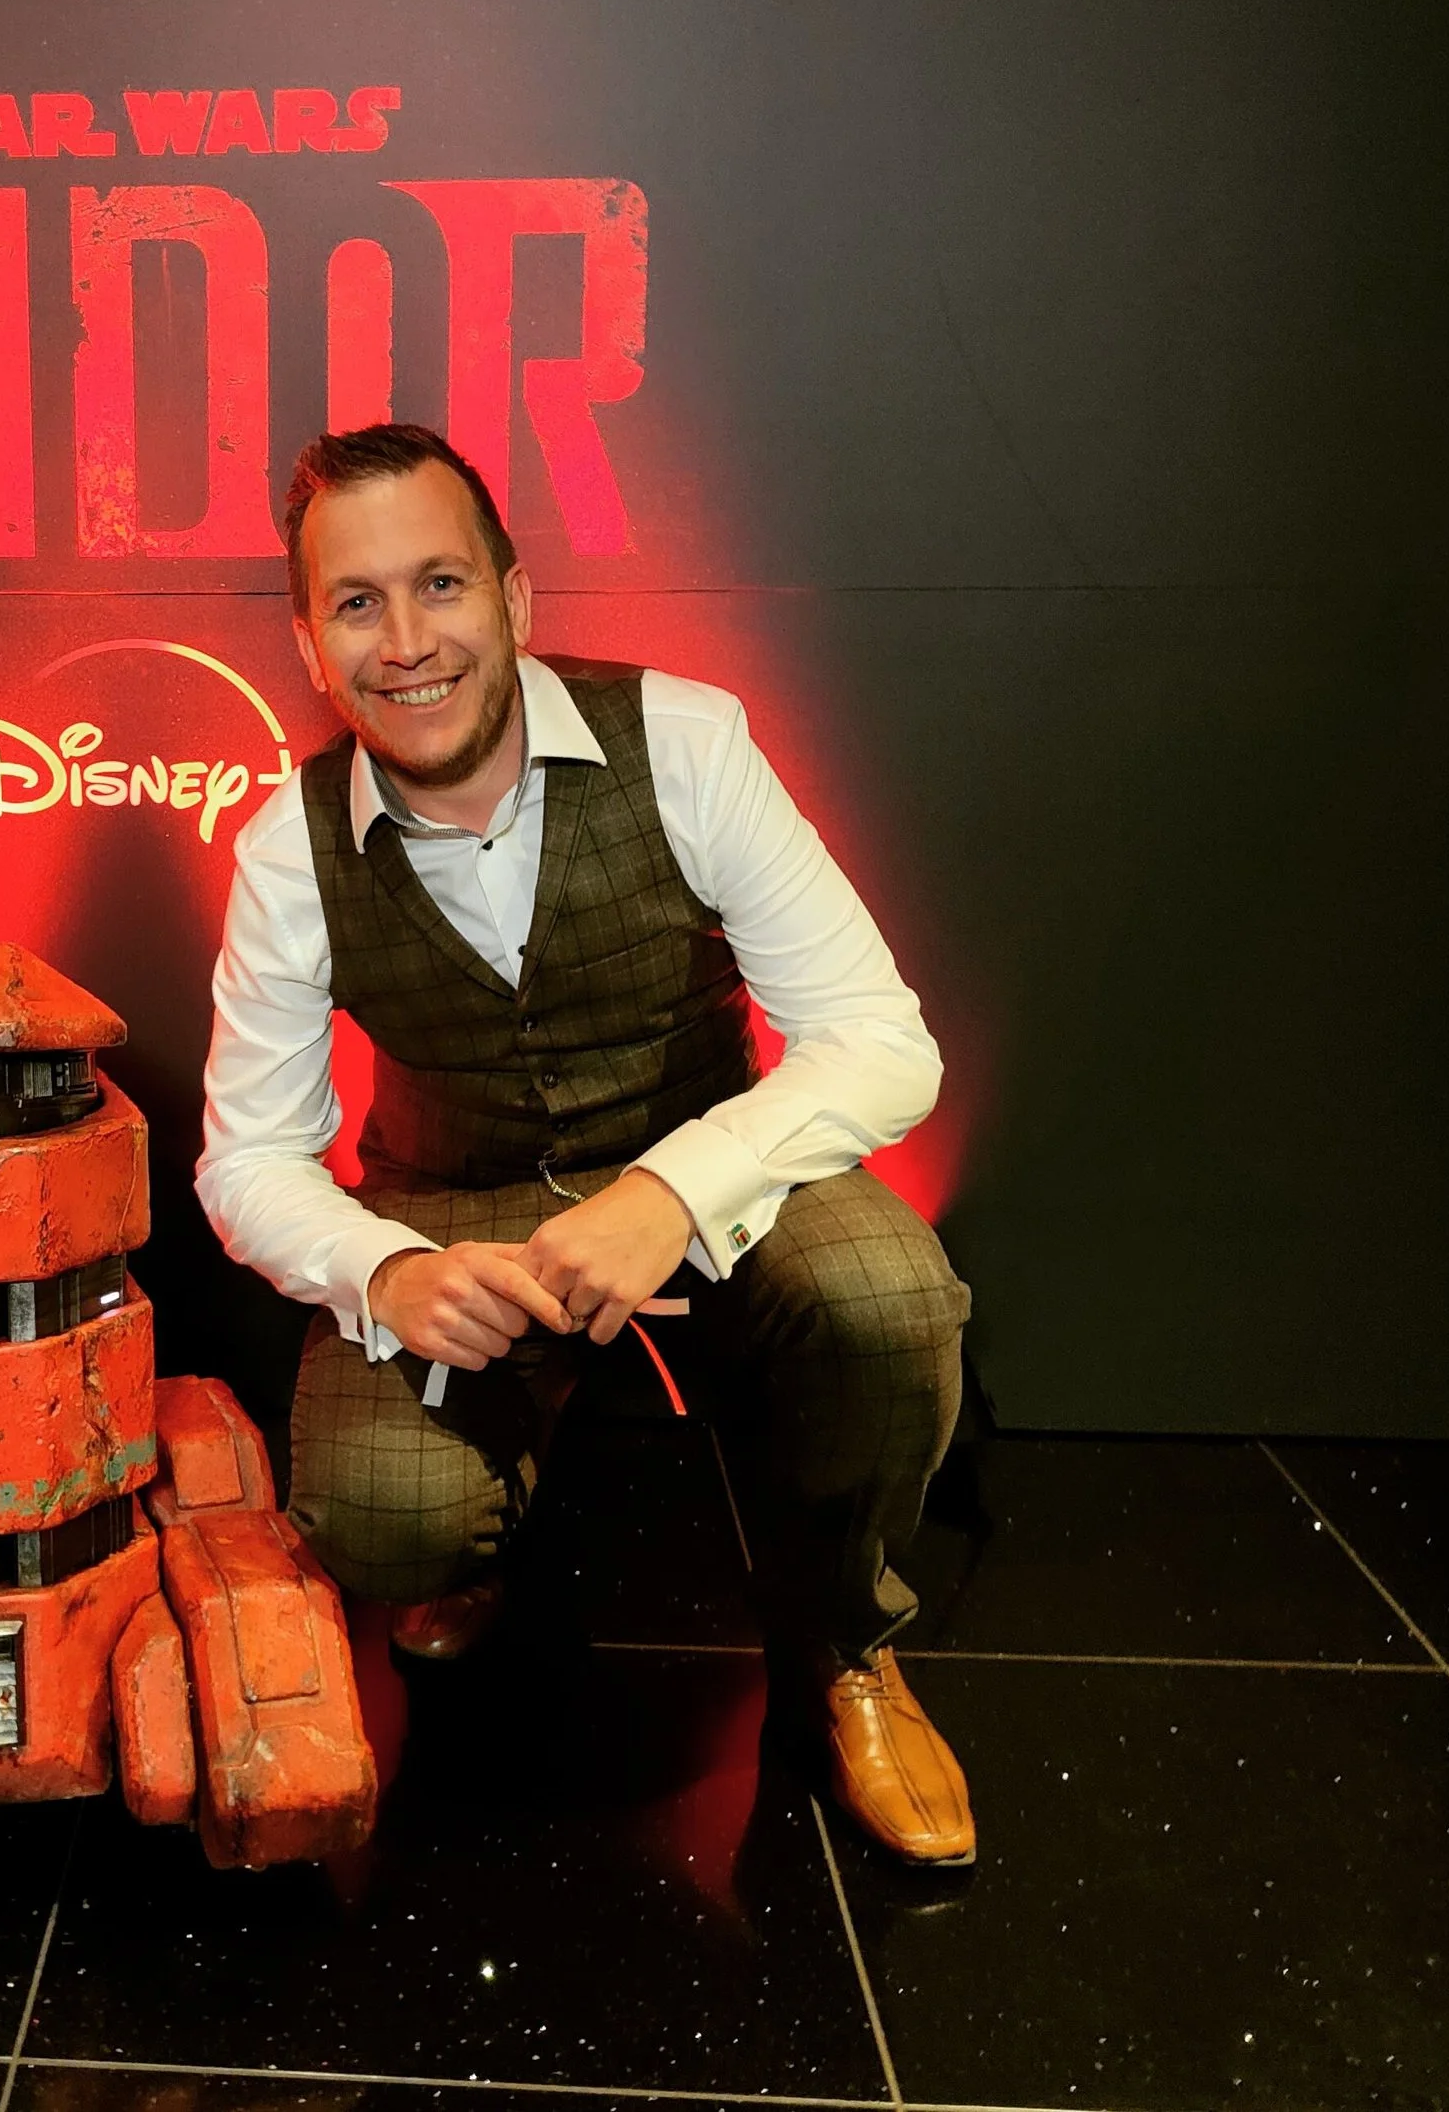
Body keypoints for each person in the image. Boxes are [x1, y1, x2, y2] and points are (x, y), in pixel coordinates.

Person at [195, 422, 977, 1868]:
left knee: (891, 1296)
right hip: (454, 1201)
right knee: (376, 1526)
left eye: (441, 585)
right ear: (309, 645)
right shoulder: (285, 845)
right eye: (356, 604)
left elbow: (882, 1039)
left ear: (516, 598)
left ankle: (847, 1648)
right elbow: (246, 1163)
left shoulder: (682, 738)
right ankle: (482, 1522)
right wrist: (385, 1269)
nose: (407, 640)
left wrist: (674, 1192)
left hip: (710, 1160)